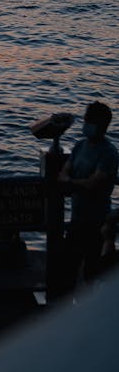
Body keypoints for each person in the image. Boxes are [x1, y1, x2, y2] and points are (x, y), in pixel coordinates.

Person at [58, 101, 118, 290]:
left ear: (103, 126)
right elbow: (63, 172)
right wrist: (72, 182)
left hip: (97, 223)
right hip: (77, 220)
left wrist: (70, 183)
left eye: (91, 121)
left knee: (92, 275)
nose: (87, 124)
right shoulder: (79, 146)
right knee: (67, 270)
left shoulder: (109, 153)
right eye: (87, 119)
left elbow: (94, 183)